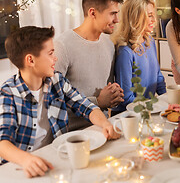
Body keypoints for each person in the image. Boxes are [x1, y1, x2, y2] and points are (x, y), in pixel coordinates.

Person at [0, 26, 120, 178]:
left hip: (54, 159)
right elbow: (2, 143)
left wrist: (105, 123)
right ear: (30, 60)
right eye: (50, 53)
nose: (55, 58)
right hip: (19, 168)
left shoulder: (56, 80)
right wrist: (26, 160)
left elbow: (85, 106)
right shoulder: (8, 93)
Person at [55, 0, 124, 130]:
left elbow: (107, 91)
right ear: (92, 13)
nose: (117, 20)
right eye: (112, 13)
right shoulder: (62, 46)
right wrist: (98, 101)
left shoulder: (109, 43)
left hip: (104, 128)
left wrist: (114, 96)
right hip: (74, 135)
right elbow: (54, 101)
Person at [111, 0, 166, 115]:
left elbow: (158, 76)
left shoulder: (149, 41)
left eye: (154, 15)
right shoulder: (125, 51)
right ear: (136, 18)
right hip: (128, 114)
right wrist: (152, 108)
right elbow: (126, 98)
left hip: (146, 108)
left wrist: (168, 100)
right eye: (150, 16)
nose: (154, 20)